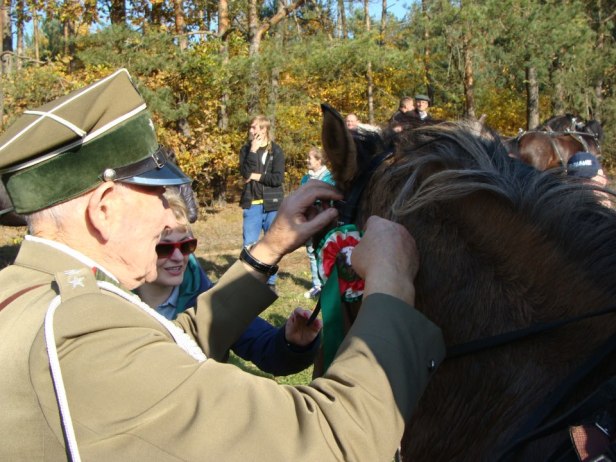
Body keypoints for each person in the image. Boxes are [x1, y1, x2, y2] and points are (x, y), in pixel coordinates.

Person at [0, 69, 445, 461]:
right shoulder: (82, 339)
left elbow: (168, 349)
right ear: (104, 209)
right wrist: (389, 285)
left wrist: (266, 252)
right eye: (156, 194)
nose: (168, 215)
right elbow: (332, 441)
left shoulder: (33, 294)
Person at [136, 188, 322, 375]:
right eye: (164, 248)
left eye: (186, 245)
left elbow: (263, 347)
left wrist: (293, 343)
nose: (178, 257)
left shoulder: (205, 297)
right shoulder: (115, 299)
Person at [239, 114, 285, 291]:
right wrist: (252, 150)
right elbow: (245, 173)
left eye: (254, 127)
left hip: (272, 203)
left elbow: (277, 179)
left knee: (272, 243)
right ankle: (247, 281)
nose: (251, 130)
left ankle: (270, 282)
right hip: (252, 202)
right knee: (249, 244)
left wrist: (257, 176)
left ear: (264, 129)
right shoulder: (245, 150)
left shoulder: (276, 151)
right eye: (251, 127)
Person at [299, 147, 335, 299]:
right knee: (311, 251)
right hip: (309, 218)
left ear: (319, 160)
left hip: (325, 219)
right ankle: (317, 285)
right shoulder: (305, 178)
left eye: (310, 158)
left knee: (326, 250)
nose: (307, 160)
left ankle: (329, 285)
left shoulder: (329, 177)